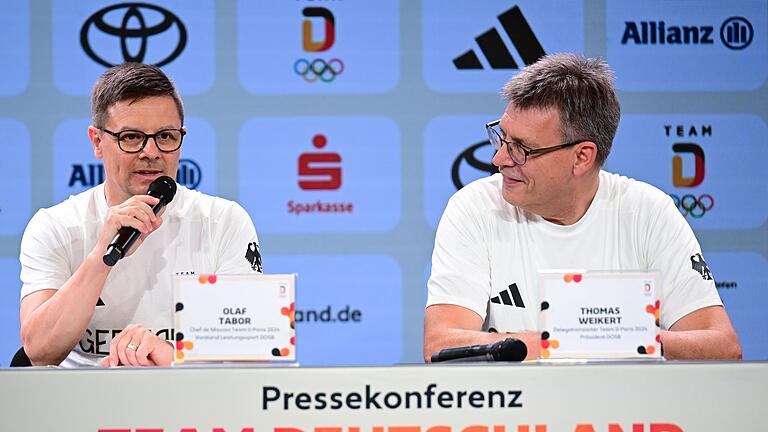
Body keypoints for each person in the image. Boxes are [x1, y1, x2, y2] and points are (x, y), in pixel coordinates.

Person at [424, 53, 741, 361]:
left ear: (582, 157)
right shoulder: (475, 208)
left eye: (521, 148)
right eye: (502, 138)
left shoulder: (648, 212)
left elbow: (721, 346)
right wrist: (581, 340)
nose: (499, 159)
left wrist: (617, 339)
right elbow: (440, 343)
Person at [19, 63, 263, 367]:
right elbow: (39, 351)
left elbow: (251, 354)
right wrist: (101, 256)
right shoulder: (55, 227)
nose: (151, 152)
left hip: (192, 405)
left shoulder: (223, 221)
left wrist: (169, 360)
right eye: (132, 137)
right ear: (97, 142)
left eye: (166, 136)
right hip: (82, 405)